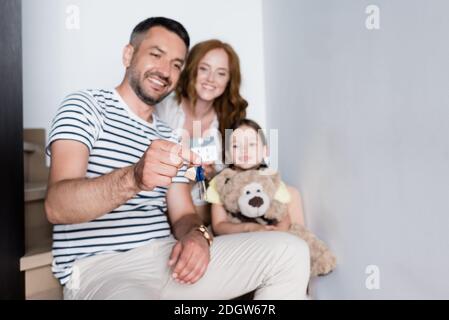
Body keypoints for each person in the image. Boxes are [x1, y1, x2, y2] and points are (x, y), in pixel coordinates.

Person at [45, 17, 310, 300]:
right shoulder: (85, 107)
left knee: (290, 251)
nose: (165, 71)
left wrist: (196, 235)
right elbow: (57, 207)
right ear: (128, 54)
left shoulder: (169, 134)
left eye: (176, 64)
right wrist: (134, 177)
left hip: (169, 256)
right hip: (102, 269)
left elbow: (183, 213)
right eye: (156, 55)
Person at [155, 40, 248, 224]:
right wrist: (187, 175)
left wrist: (210, 176)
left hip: (205, 214)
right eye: (204, 69)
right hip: (158, 207)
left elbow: (231, 186)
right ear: (192, 69)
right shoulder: (164, 107)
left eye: (221, 73)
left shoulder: (229, 120)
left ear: (229, 80)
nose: (211, 79)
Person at [207, 118, 306, 235]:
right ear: (227, 153)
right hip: (237, 237)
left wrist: (277, 232)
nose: (244, 150)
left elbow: (284, 219)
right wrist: (249, 228)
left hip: (270, 236)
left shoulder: (271, 180)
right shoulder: (220, 183)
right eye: (236, 146)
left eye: (252, 144)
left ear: (265, 151)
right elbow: (218, 225)